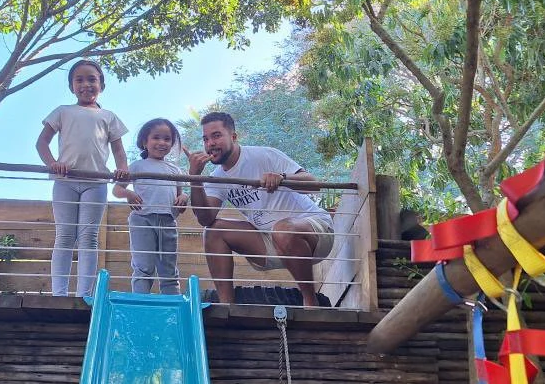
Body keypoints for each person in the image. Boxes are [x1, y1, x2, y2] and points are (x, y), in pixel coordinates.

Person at [184, 112, 334, 307]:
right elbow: (205, 218)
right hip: (269, 241)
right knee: (213, 231)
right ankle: (227, 308)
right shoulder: (216, 177)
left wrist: (282, 177)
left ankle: (310, 301)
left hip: (316, 232)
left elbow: (314, 185)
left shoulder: (263, 154)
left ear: (234, 137)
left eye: (216, 135)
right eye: (205, 139)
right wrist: (195, 178)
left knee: (284, 229)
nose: (210, 143)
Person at [36, 60, 129, 297]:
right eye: (79, 80)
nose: (86, 84)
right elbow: (42, 143)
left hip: (96, 183)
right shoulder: (62, 111)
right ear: (71, 86)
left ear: (101, 85)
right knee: (65, 234)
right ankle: (59, 293)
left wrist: (122, 171)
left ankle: (84, 295)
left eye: (92, 79)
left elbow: (119, 151)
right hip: (65, 181)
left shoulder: (109, 116)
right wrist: (52, 164)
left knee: (89, 237)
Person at [113, 118, 189, 294]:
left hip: (168, 221)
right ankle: (140, 302)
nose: (162, 142)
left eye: (167, 139)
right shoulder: (137, 166)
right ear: (144, 142)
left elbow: (181, 196)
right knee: (144, 265)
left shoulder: (175, 170)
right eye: (156, 137)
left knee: (168, 268)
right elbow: (117, 190)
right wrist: (129, 194)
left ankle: (172, 305)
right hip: (142, 219)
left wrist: (184, 198)